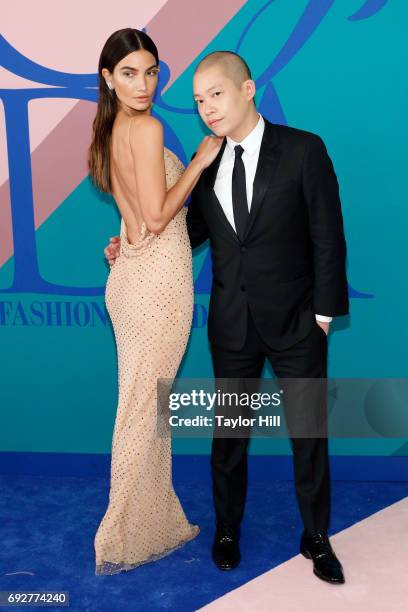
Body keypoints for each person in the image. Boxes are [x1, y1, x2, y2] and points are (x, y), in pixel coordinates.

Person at [105, 51, 349, 584]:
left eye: (216, 94)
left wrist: (325, 316)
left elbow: (327, 235)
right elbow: (188, 232)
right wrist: (131, 243)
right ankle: (227, 530)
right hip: (232, 322)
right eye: (197, 100)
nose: (207, 108)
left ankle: (317, 537)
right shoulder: (206, 159)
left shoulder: (304, 150)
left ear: (248, 89)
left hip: (296, 323)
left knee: (309, 435)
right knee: (229, 438)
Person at [88, 28, 223, 575]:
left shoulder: (105, 133)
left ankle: (153, 522)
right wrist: (199, 161)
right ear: (108, 78)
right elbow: (159, 216)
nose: (143, 84)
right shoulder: (145, 128)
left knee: (142, 408)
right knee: (143, 411)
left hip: (130, 279)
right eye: (129, 73)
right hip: (158, 286)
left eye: (150, 72)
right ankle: (119, 534)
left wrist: (123, 240)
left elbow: (133, 224)